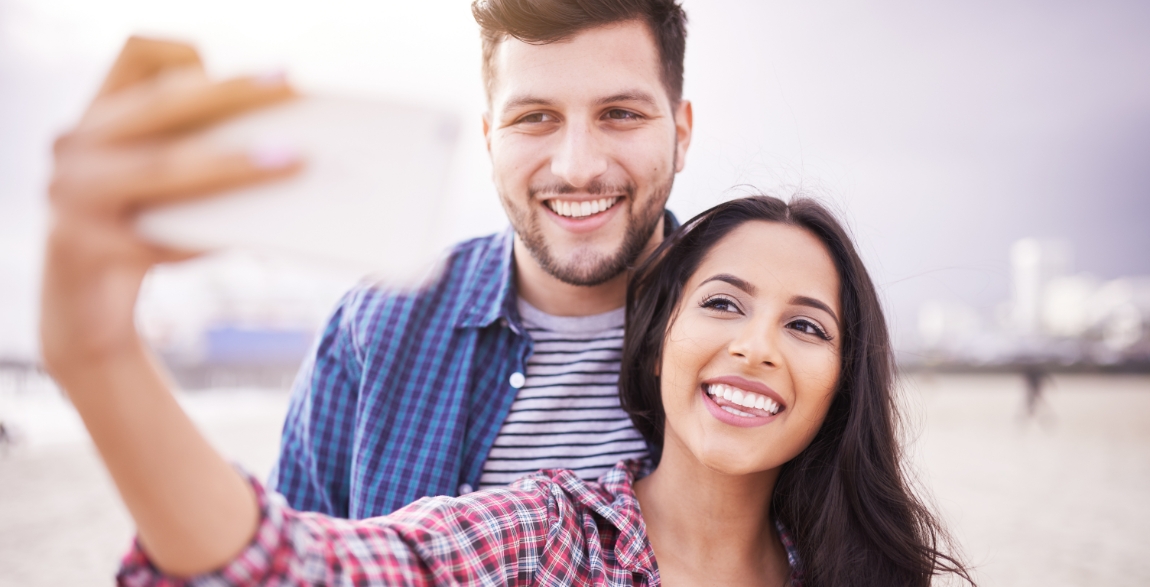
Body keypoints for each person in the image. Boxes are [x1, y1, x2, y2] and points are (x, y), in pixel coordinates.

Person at [43, 194, 973, 586]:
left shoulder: (856, 567)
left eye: (807, 325)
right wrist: (98, 356)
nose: (757, 346)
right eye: (723, 303)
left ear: (841, 383)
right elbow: (306, 564)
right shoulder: (550, 534)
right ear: (657, 345)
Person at [45, 0, 694, 519]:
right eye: (536, 118)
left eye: (619, 113)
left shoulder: (764, 336)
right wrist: (98, 350)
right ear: (489, 137)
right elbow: (287, 561)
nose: (577, 166)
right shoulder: (376, 325)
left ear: (682, 130)